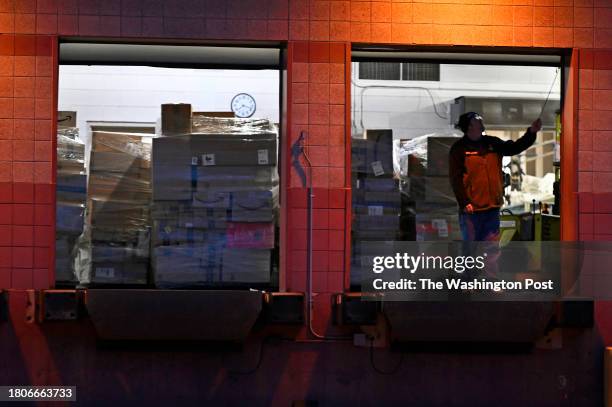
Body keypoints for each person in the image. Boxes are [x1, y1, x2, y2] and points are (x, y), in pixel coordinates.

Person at [449, 112, 542, 241]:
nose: (481, 120)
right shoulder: (459, 149)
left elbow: (514, 147)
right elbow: (456, 179)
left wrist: (531, 132)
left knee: (491, 251)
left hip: (492, 208)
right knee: (471, 250)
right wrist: (464, 202)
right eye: (477, 119)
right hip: (472, 211)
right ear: (469, 126)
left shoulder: (492, 143)